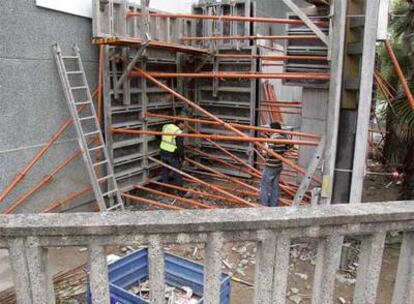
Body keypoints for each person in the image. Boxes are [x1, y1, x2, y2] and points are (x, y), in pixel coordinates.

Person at [259, 122, 289, 207]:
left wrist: (264, 151)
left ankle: (264, 205)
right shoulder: (283, 138)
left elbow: (270, 153)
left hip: (270, 166)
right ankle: (274, 204)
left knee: (264, 185)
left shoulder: (272, 139)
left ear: (272, 129)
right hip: (278, 165)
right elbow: (289, 146)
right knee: (275, 186)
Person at [159, 120, 186, 195]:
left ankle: (165, 189)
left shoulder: (166, 126)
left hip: (163, 152)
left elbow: (157, 135)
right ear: (179, 123)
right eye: (183, 124)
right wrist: (183, 158)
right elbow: (180, 147)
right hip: (172, 154)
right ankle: (181, 192)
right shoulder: (178, 132)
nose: (184, 126)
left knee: (165, 171)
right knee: (177, 173)